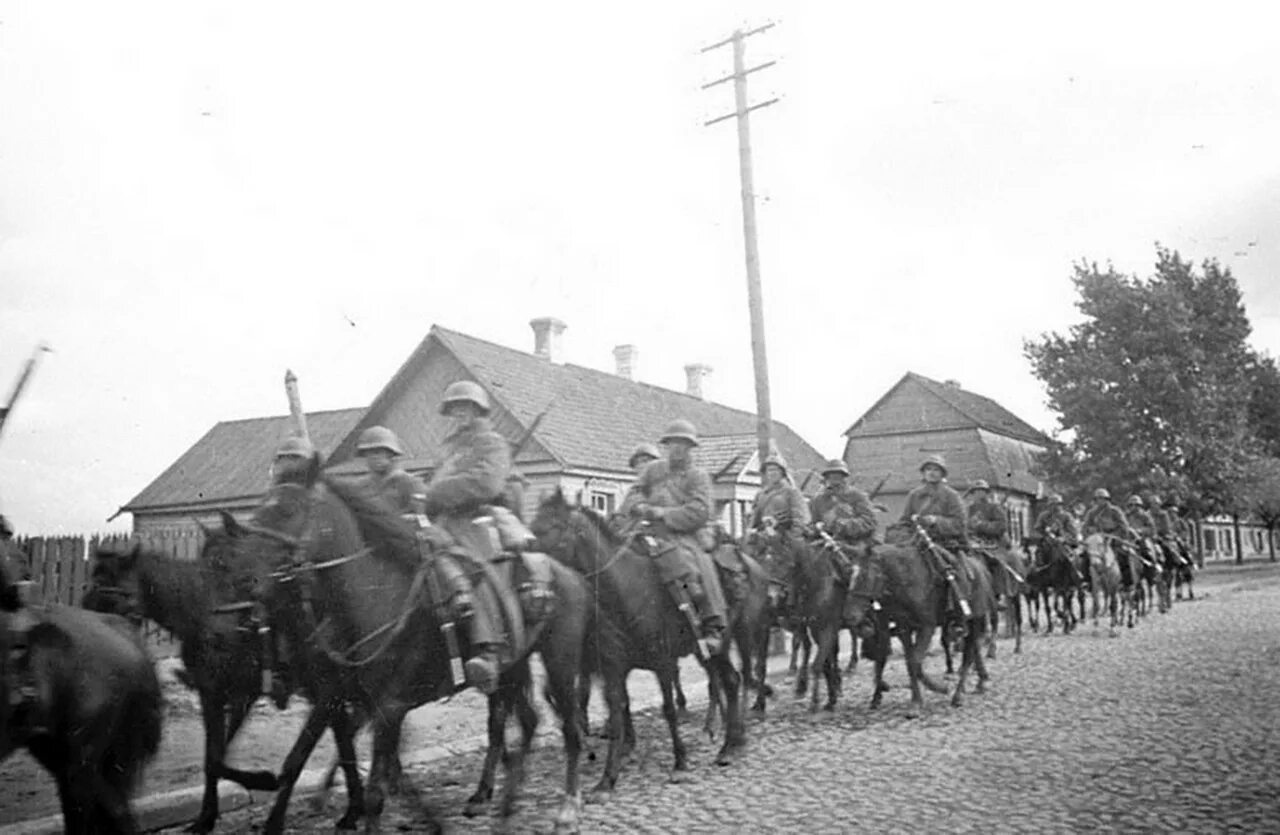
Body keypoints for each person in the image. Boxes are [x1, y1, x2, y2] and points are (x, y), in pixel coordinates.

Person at [419, 380, 528, 695]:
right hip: (442, 522)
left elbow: (487, 484)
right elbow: (433, 482)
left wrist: (437, 492)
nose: (459, 414)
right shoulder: (450, 448)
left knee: (473, 571)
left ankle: (488, 650)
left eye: (465, 407)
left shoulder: (492, 443)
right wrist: (422, 491)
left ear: (479, 409)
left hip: (477, 520)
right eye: (454, 409)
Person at [623, 419, 728, 651]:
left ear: (691, 447)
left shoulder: (698, 476)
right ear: (666, 446)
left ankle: (712, 623)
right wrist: (639, 506)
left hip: (684, 533)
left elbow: (700, 511)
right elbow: (633, 493)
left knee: (694, 563)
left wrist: (663, 513)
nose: (677, 449)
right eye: (672, 444)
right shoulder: (653, 470)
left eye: (683, 444)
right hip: (648, 529)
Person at [807, 459, 878, 553]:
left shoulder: (858, 496)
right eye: (831, 476)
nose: (835, 481)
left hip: (853, 543)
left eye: (839, 476)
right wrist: (816, 528)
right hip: (825, 543)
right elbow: (811, 523)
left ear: (845, 478)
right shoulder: (817, 501)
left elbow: (869, 522)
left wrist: (841, 525)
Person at [355, 426, 427, 515]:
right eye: (369, 453)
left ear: (391, 454)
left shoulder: (409, 483)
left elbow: (426, 517)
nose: (374, 457)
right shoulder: (360, 487)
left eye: (378, 452)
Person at [1082, 488, 1139, 586]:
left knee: (1124, 555)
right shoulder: (1091, 513)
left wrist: (1114, 535)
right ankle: (1087, 581)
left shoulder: (1115, 511)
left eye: (1102, 499)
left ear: (1107, 499)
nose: (1100, 501)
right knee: (1085, 556)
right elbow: (1084, 528)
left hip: (1114, 539)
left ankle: (1127, 583)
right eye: (1097, 499)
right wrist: (1090, 533)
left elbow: (1124, 527)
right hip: (1097, 541)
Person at [1031, 493, 1083, 584]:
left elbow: (1073, 532)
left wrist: (1063, 537)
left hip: (1063, 542)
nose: (1054, 507)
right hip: (1047, 541)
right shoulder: (1044, 516)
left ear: (1060, 505)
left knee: (1067, 555)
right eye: (1052, 505)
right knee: (1038, 553)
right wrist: (1045, 533)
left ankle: (1076, 574)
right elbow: (1037, 528)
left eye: (1057, 504)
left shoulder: (1067, 516)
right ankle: (1038, 574)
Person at [614, 442, 661, 535]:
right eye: (637, 463)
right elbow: (622, 513)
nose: (641, 465)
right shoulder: (633, 491)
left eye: (645, 461)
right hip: (629, 534)